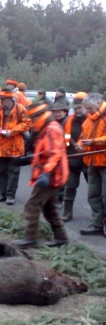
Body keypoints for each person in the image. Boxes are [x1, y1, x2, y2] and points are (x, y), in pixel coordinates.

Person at [13, 102, 69, 248]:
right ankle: (61, 238)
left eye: (32, 117)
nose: (31, 121)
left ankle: (30, 238)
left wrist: (46, 172)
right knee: (49, 207)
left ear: (39, 116)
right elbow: (46, 152)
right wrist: (28, 159)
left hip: (52, 176)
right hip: (53, 175)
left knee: (33, 204)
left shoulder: (51, 129)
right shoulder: (46, 128)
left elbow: (55, 154)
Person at [0, 88, 30, 205]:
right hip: (1, 146)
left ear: (10, 99)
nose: (1, 101)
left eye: (3, 99)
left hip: (15, 146)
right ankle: (2, 193)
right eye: (0, 99)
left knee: (14, 172)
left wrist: (12, 131)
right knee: (1, 171)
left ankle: (10, 195)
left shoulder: (20, 109)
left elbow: (27, 123)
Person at [76, 93, 106, 236]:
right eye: (87, 109)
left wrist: (94, 142)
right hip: (92, 161)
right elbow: (83, 137)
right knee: (93, 195)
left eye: (90, 108)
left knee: (105, 195)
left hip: (105, 162)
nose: (88, 112)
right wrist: (79, 145)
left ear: (99, 103)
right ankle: (96, 224)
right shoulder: (88, 120)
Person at [61, 92, 88, 222]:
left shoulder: (95, 120)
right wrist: (73, 144)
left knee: (98, 191)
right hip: (72, 158)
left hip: (90, 160)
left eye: (79, 108)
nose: (77, 110)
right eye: (75, 108)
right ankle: (67, 212)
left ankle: (99, 217)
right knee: (70, 186)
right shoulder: (68, 121)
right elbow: (64, 136)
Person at [50, 101, 70, 205]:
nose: (57, 114)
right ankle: (56, 199)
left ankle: (60, 199)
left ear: (65, 112)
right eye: (55, 112)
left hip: (66, 154)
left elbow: (68, 139)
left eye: (59, 112)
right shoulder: (54, 122)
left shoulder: (68, 122)